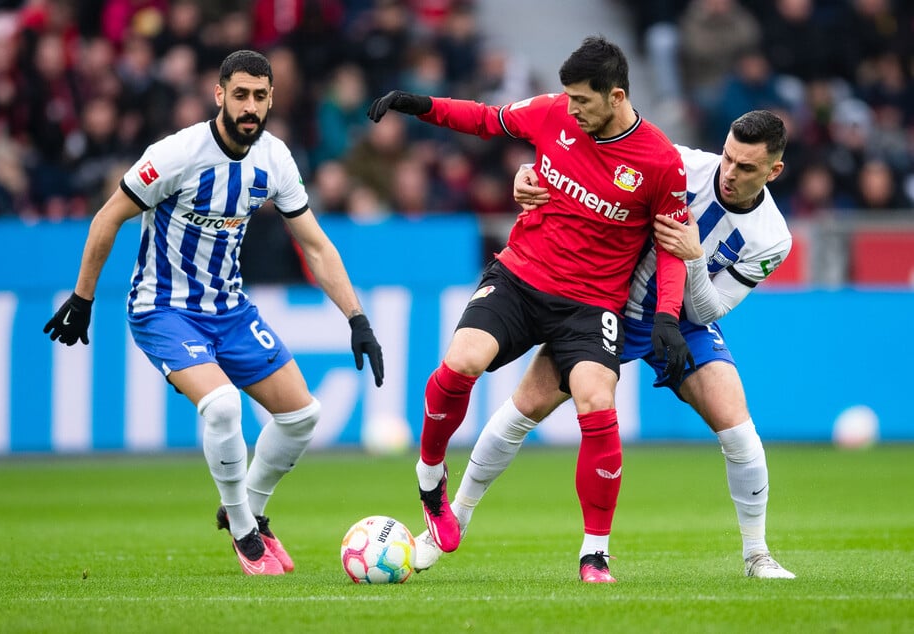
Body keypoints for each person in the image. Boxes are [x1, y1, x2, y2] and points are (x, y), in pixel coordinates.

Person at [415, 110, 797, 580]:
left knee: (739, 431)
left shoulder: (773, 239)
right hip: (606, 305)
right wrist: (531, 179)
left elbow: (709, 310)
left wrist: (693, 259)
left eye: (746, 168)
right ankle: (451, 520)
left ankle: (757, 556)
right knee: (523, 410)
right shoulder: (678, 164)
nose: (730, 173)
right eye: (729, 158)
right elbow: (588, 171)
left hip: (684, 323)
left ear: (773, 171)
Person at [43, 50, 384, 576]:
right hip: (163, 309)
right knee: (223, 407)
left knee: (302, 416)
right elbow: (108, 216)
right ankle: (246, 535)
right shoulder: (177, 154)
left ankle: (245, 509)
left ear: (272, 100)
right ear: (219, 94)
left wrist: (357, 318)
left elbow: (315, 245)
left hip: (229, 309)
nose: (251, 107)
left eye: (261, 96)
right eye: (241, 94)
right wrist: (83, 299)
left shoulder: (275, 160)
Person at [366, 35, 694, 583]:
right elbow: (485, 119)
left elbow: (674, 247)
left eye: (582, 101)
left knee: (596, 400)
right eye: (566, 98)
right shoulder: (550, 113)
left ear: (616, 96)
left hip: (591, 306)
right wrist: (418, 105)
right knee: (462, 361)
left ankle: (595, 553)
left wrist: (666, 315)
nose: (570, 109)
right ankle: (430, 478)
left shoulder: (661, 162)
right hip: (522, 275)